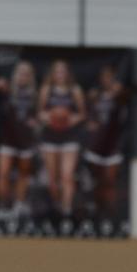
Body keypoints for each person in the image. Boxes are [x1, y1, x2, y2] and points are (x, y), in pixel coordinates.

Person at [36, 58, 86, 217]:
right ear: (52, 73)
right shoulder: (46, 89)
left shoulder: (75, 90)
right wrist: (48, 117)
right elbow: (39, 112)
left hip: (70, 137)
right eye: (57, 71)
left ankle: (67, 209)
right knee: (52, 178)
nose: (60, 74)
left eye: (63, 70)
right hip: (50, 136)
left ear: (67, 73)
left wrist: (71, 119)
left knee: (67, 175)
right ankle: (57, 204)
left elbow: (83, 113)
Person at [84, 63, 130, 217]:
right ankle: (97, 209)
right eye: (104, 77)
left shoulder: (119, 95)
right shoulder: (95, 96)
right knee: (98, 180)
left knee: (110, 180)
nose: (107, 80)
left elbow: (124, 100)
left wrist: (119, 92)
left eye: (110, 77)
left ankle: (110, 212)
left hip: (113, 144)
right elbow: (89, 118)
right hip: (97, 143)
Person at [0, 59, 39, 207]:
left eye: (27, 74)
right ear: (15, 74)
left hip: (25, 139)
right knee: (3, 174)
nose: (23, 76)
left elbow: (41, 114)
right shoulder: (7, 90)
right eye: (21, 73)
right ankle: (3, 204)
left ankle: (19, 204)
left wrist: (37, 121)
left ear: (31, 76)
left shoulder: (35, 95)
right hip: (7, 138)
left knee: (23, 173)